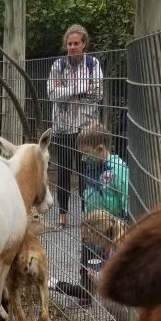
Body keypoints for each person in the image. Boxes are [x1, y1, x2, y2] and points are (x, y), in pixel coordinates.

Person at [53, 126, 128, 305]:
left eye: (86, 152)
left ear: (100, 148)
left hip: (112, 226)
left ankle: (118, 302)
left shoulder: (117, 169)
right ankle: (85, 292)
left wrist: (125, 223)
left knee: (114, 263)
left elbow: (126, 196)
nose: (83, 157)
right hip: (93, 225)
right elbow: (86, 193)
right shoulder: (90, 166)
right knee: (87, 260)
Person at [47, 24, 104, 228]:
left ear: (84, 44)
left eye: (76, 43)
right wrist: (81, 88)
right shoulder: (58, 66)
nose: (72, 47)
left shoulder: (93, 64)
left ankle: (85, 214)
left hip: (86, 128)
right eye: (69, 43)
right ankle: (62, 215)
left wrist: (66, 89)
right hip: (63, 127)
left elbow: (98, 93)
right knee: (63, 172)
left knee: (84, 172)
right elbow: (52, 94)